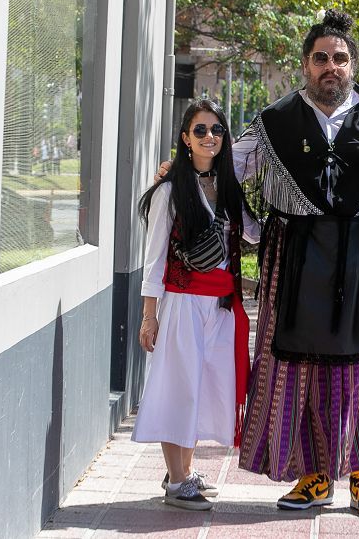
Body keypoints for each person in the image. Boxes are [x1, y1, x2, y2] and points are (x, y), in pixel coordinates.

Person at [155, 10, 359, 518]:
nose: (332, 66)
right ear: (305, 64)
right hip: (296, 256)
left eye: (340, 58)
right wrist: (181, 168)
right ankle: (314, 475)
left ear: (352, 64)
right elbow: (229, 161)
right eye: (322, 57)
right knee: (299, 368)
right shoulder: (276, 120)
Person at [134, 98, 259, 511]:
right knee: (178, 389)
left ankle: (181, 472)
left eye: (217, 130)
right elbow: (153, 260)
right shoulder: (169, 191)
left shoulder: (227, 188)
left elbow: (255, 234)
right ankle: (178, 482)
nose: (210, 137)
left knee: (203, 390)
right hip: (182, 304)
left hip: (220, 306)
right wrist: (149, 317)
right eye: (200, 130)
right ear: (185, 138)